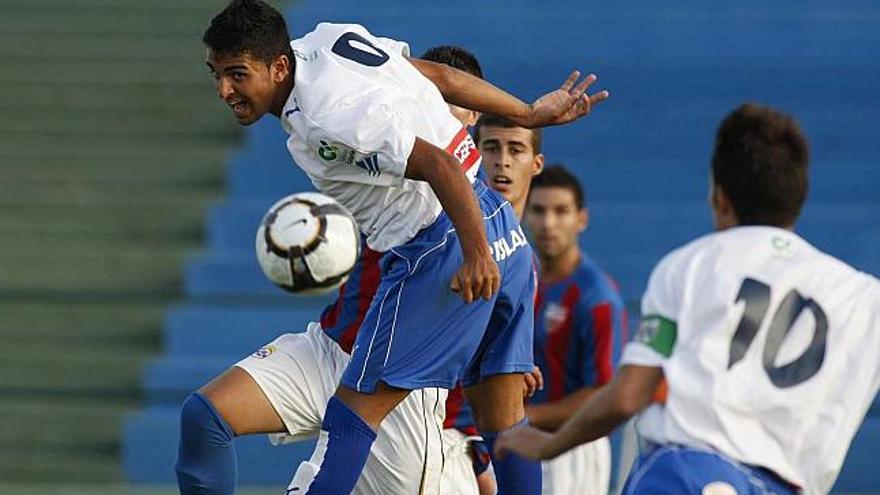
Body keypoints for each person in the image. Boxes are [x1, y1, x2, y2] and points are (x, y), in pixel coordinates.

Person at [193, 1, 610, 494]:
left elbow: (441, 166)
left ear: (278, 66)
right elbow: (439, 75)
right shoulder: (328, 40)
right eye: (217, 74)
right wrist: (526, 112)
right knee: (506, 423)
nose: (225, 90)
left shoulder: (329, 121)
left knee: (349, 421)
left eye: (237, 75)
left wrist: (475, 255)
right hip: (506, 233)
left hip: (440, 245)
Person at [496, 103, 880, 495]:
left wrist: (547, 443)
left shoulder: (691, 265)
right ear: (798, 196)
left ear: (720, 197)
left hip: (685, 473)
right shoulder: (863, 298)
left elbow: (627, 395)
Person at [442, 113, 548, 495]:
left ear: (536, 163)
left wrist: (515, 364)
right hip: (437, 430)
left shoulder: (521, 255)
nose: (502, 160)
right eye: (491, 147)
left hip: (476, 438)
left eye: (515, 149)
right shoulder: (455, 239)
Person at [523, 165, 626, 495]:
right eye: (538, 210)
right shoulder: (521, 279)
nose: (548, 223)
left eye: (561, 211)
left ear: (581, 219)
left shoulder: (596, 297)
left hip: (574, 448)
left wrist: (525, 416)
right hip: (519, 439)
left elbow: (601, 393)